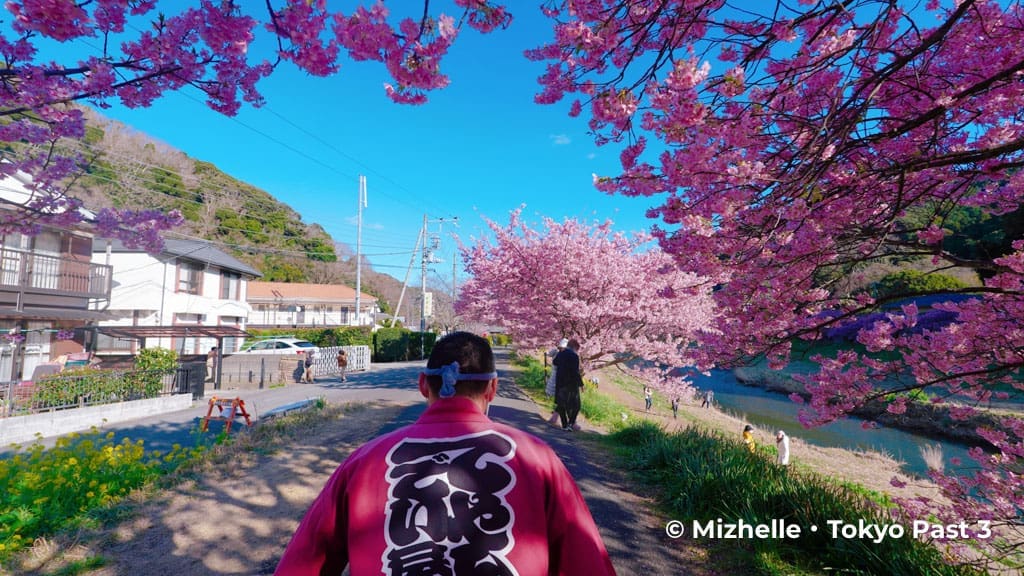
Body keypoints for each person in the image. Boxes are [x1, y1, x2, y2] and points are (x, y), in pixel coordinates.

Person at [274, 332, 617, 576]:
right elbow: (585, 561)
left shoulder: (364, 460)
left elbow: (303, 563)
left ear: (423, 384)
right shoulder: (538, 459)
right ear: (493, 388)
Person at [553, 338, 585, 431]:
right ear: (575, 347)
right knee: (576, 405)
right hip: (571, 384)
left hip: (560, 382)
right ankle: (570, 424)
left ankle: (564, 425)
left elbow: (555, 362)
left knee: (561, 404)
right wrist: (581, 384)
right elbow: (575, 372)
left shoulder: (561, 353)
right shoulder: (574, 356)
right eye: (577, 349)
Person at [546, 338, 568, 426]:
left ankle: (555, 417)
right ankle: (556, 418)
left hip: (561, 379)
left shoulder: (560, 353)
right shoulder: (558, 353)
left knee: (561, 399)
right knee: (561, 399)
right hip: (558, 378)